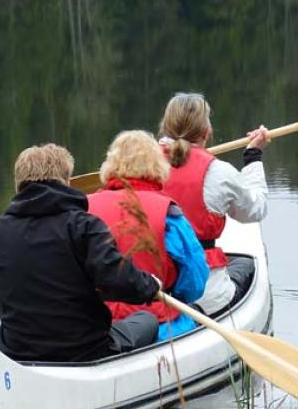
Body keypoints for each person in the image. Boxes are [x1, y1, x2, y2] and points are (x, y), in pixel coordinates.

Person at [0, 143, 164, 363]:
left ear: (19, 185)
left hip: (17, 353)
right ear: (66, 181)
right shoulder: (84, 227)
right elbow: (119, 281)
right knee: (147, 319)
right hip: (86, 351)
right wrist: (151, 285)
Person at [86, 130, 209, 341]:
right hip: (158, 325)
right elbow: (194, 283)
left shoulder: (83, 210)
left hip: (96, 322)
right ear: (157, 166)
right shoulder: (168, 214)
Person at [158, 93, 270, 315]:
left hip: (155, 283)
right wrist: (253, 156)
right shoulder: (218, 172)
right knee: (246, 265)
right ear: (206, 132)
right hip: (204, 294)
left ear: (165, 128)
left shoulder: (138, 163)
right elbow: (255, 210)